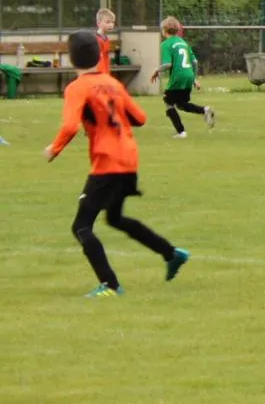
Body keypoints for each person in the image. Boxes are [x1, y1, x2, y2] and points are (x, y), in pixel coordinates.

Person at [44, 29, 191, 297]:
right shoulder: (112, 83)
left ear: (72, 57)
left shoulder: (77, 88)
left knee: (81, 226)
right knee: (115, 218)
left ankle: (110, 284)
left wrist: (54, 149)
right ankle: (171, 254)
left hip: (107, 162)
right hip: (128, 159)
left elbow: (70, 126)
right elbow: (140, 118)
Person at [148, 17, 214, 136]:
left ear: (164, 30)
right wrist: (194, 79)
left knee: (168, 103)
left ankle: (181, 132)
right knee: (181, 104)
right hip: (188, 76)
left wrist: (156, 70)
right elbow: (194, 62)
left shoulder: (165, 44)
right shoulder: (184, 43)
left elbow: (168, 64)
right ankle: (204, 110)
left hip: (177, 77)